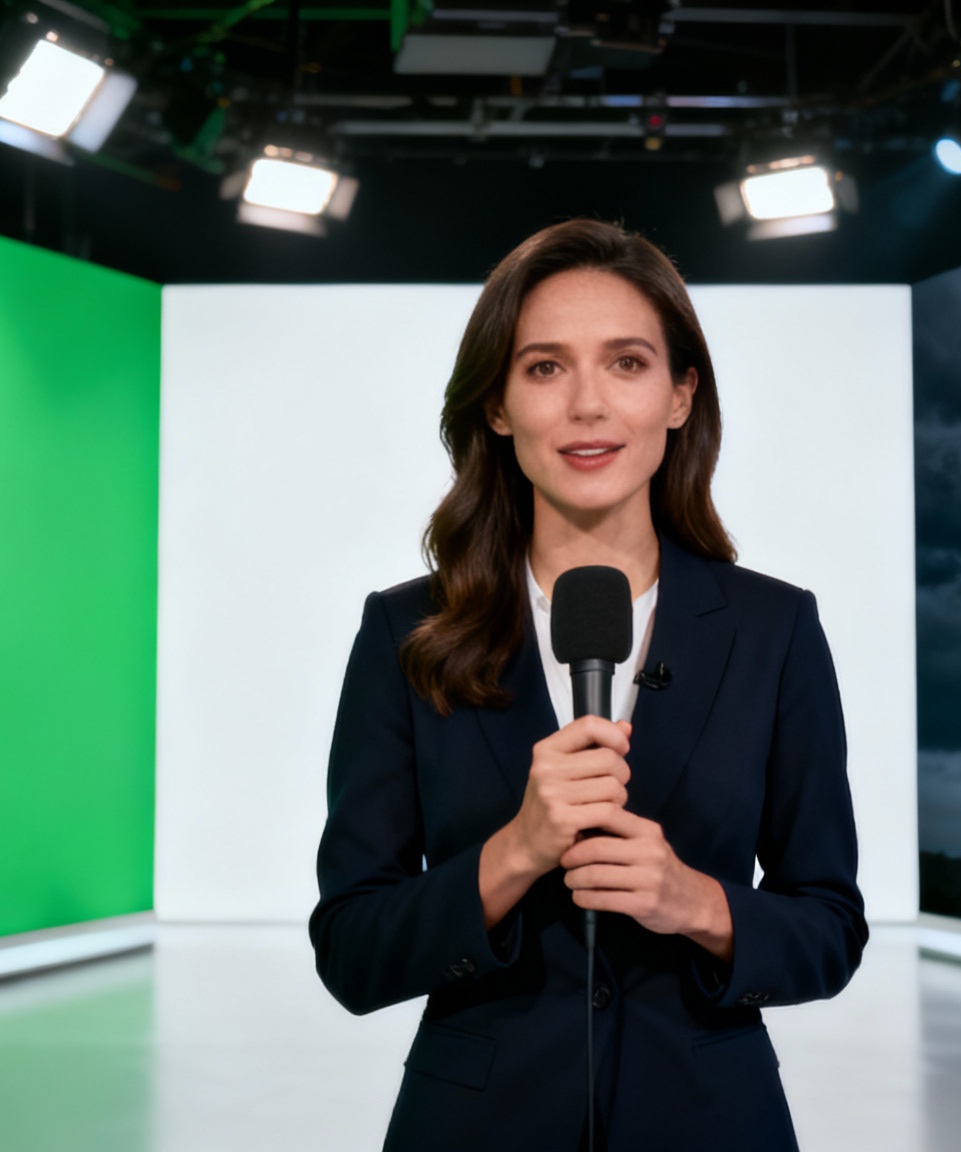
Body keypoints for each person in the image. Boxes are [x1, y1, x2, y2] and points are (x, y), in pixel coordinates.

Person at [310, 219, 865, 1152]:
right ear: (496, 405)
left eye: (627, 363)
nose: (587, 406)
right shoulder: (406, 632)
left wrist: (694, 901)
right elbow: (353, 952)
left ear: (681, 395)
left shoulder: (775, 630)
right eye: (544, 368)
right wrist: (515, 852)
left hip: (711, 1122)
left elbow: (830, 929)